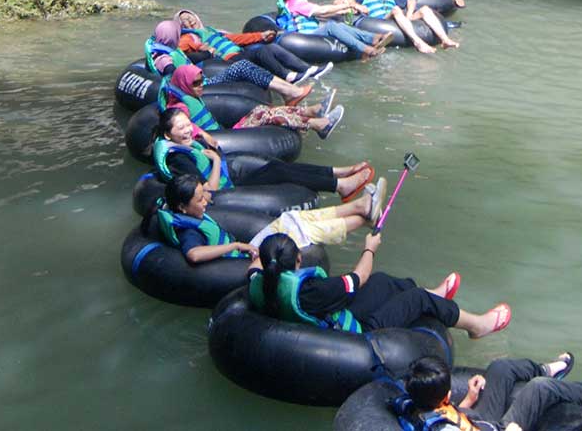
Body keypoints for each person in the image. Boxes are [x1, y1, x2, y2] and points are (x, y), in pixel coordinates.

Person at [248, 231, 511, 337]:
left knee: (382, 281)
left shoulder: (258, 282)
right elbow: (358, 277)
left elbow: (253, 270)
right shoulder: (313, 291)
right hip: (355, 334)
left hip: (327, 314)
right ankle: (477, 326)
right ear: (298, 259)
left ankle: (436, 295)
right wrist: (369, 249)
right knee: (416, 298)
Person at [158, 174, 386, 264]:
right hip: (245, 261)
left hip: (247, 249)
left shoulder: (189, 213)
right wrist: (236, 245)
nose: (206, 200)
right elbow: (194, 255)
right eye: (199, 199)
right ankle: (364, 219)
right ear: (182, 207)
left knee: (291, 218)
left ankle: (361, 206)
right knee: (301, 233)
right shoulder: (188, 231)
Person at [153, 108, 375, 200]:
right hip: (227, 190)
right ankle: (340, 186)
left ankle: (338, 172)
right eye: (180, 128)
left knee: (280, 166)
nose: (187, 130)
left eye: (187, 125)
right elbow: (207, 191)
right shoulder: (178, 158)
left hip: (230, 172)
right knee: (279, 170)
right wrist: (217, 159)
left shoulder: (187, 143)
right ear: (167, 134)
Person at [396, 354, 582, 431]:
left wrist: (468, 399)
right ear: (445, 394)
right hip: (500, 428)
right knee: (539, 388)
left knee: (500, 368)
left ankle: (547, 369)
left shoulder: (416, 402)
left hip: (477, 420)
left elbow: (448, 415)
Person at [145, 19, 312, 105]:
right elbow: (174, 77)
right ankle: (291, 92)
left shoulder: (171, 51)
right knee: (242, 66)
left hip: (201, 81)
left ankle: (289, 92)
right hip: (202, 85)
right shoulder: (164, 57)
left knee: (248, 63)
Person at [161, 65, 345, 141]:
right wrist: (203, 134)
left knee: (261, 110)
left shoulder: (189, 97)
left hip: (223, 131)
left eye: (202, 81)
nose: (202, 86)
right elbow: (184, 126)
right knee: (266, 115)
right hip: (222, 139)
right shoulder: (180, 107)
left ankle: (312, 112)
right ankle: (317, 124)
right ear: (184, 83)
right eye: (196, 83)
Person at [175, 9, 330, 85]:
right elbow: (179, 50)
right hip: (227, 62)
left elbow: (237, 38)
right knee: (261, 51)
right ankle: (287, 76)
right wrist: (201, 49)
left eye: (190, 17)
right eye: (185, 21)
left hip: (238, 53)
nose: (190, 21)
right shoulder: (188, 37)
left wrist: (261, 36)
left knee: (271, 47)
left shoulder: (211, 31)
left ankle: (308, 69)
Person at [277, 0, 394, 59]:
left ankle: (373, 38)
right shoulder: (296, 3)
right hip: (305, 37)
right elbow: (322, 10)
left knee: (340, 25)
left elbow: (322, 13)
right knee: (331, 26)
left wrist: (342, 11)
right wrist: (345, 4)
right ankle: (366, 49)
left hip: (311, 32)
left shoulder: (294, 2)